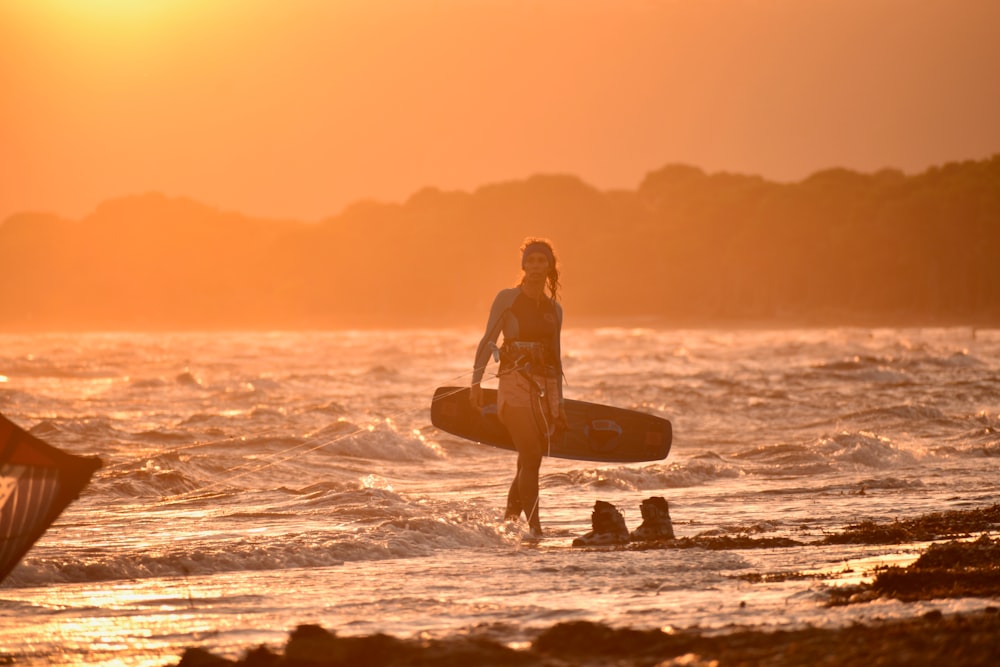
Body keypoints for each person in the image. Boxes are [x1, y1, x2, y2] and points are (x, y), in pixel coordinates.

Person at [470, 238, 567, 537]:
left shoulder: (555, 309)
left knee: (526, 459)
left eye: (542, 262)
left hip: (544, 387)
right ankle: (535, 529)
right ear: (524, 265)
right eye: (531, 261)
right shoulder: (508, 299)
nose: (537, 267)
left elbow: (556, 354)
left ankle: (509, 522)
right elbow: (488, 340)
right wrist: (476, 382)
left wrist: (559, 403)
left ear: (550, 267)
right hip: (512, 382)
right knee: (533, 453)